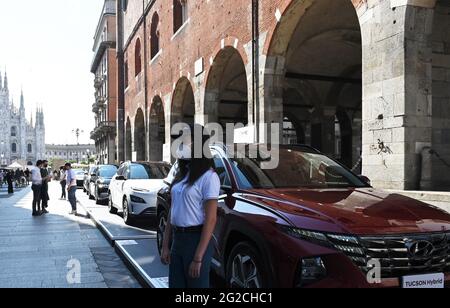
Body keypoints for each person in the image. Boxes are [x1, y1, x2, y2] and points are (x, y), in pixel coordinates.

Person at [161, 124, 220, 288]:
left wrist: (198, 257)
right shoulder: (182, 175)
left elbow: (211, 219)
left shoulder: (209, 177)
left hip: (196, 241)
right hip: (177, 240)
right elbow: (172, 212)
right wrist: (165, 245)